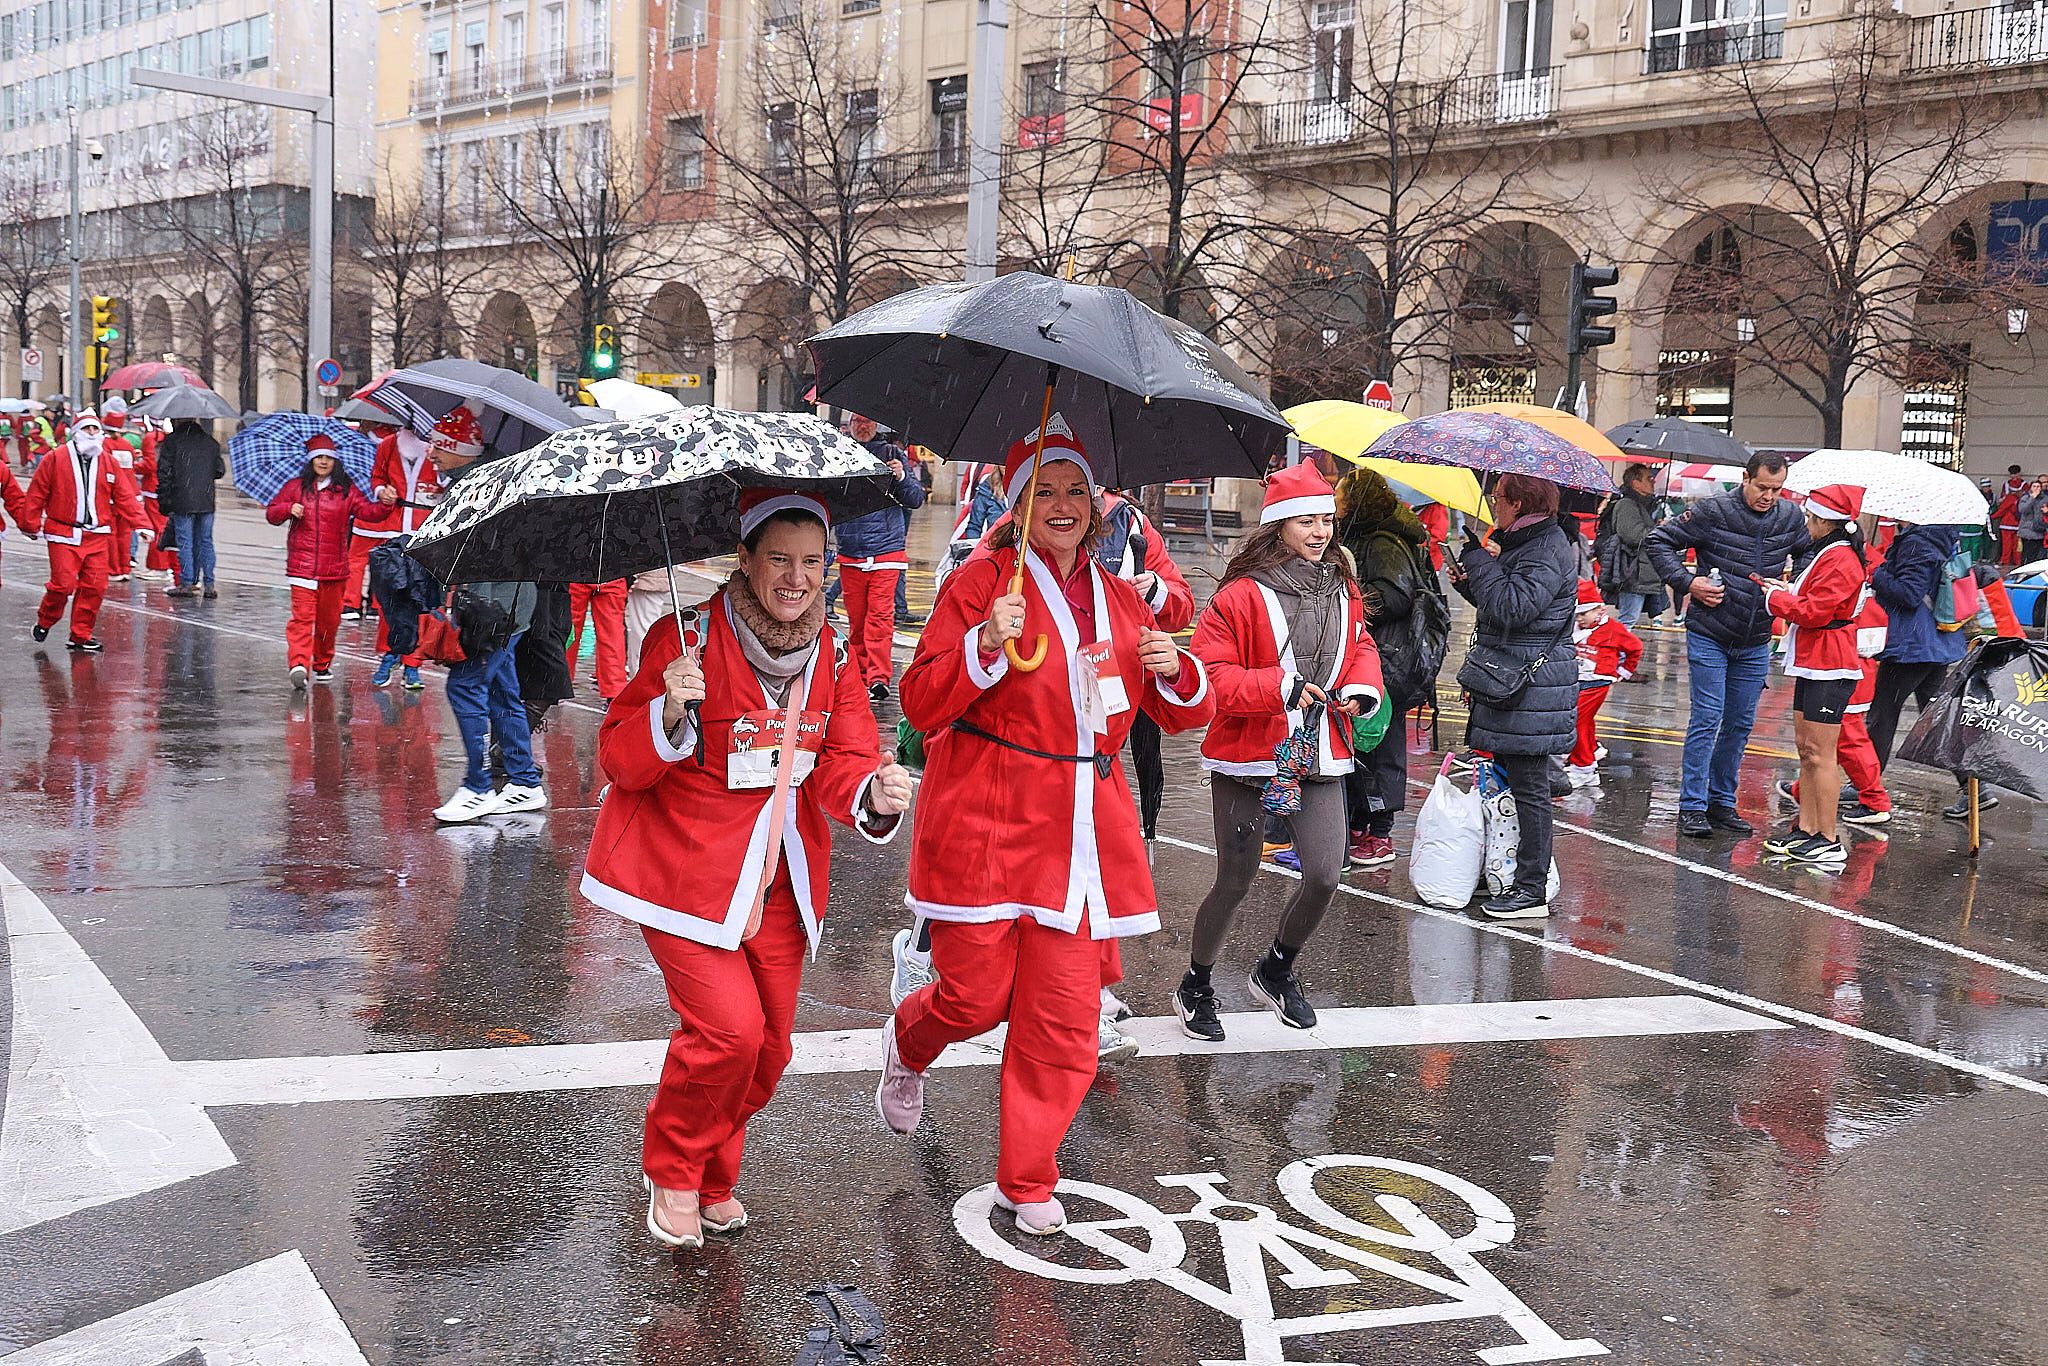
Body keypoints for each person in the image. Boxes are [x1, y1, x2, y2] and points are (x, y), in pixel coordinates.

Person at [875, 424, 1213, 1238]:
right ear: (1017, 501)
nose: (1062, 506)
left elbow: (1181, 711)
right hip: (988, 820)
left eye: (1075, 491)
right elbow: (921, 701)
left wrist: (1178, 669)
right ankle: (908, 1040)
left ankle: (1027, 1177)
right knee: (975, 997)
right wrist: (984, 643)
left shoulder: (1120, 597)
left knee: (1063, 1017)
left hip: (1081, 835)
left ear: (1095, 505)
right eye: (1045, 491)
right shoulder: (981, 583)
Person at [583, 489, 913, 1247]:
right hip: (686, 873)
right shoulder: (683, 637)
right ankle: (673, 1168)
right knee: (729, 1034)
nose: (797, 579)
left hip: (782, 878)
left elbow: (845, 757)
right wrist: (668, 711)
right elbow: (619, 761)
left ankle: (712, 1175)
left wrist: (872, 790)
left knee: (769, 1050)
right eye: (780, 560)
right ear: (746, 559)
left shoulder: (832, 653)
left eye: (812, 562)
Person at [1181, 463, 1382, 1040]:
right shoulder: (1240, 595)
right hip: (1248, 755)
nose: (1320, 532)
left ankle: (1276, 968)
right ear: (1278, 526)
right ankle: (1196, 983)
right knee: (1236, 879)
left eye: (1326, 520)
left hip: (1319, 750)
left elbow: (1360, 646)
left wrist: (1361, 687)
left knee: (1324, 874)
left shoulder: (1342, 587)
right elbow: (1212, 675)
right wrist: (1280, 688)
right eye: (1306, 521)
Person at [1647, 452, 1809, 840]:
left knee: (1738, 724)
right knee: (1707, 718)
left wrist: (1795, 583)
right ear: (1745, 478)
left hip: (1756, 638)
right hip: (1710, 632)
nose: (1769, 496)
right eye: (1762, 487)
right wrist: (1688, 583)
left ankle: (1721, 802)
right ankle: (1692, 806)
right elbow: (1658, 540)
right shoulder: (1713, 510)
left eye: (1777, 489)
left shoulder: (1790, 517)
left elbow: (1807, 552)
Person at [1448, 473, 1577, 919]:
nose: (1494, 503)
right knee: (1514, 781)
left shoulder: (1546, 548)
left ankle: (1531, 889)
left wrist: (1477, 560)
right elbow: (1505, 605)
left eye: (1498, 497)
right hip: (1515, 680)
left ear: (1519, 503)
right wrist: (1469, 581)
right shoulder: (1527, 542)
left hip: (1531, 687)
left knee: (1530, 788)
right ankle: (1511, 875)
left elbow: (1514, 607)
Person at [423, 407, 548, 825]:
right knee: (501, 692)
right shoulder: (487, 482)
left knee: (465, 687)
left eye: (441, 446)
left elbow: (481, 555)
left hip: (492, 611)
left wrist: (476, 615)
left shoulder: (477, 488)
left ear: (463, 450)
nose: (432, 453)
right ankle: (524, 780)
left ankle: (478, 786)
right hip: (506, 609)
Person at [1334, 466, 1440, 867]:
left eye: (1340, 494)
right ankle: (1362, 823)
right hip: (1373, 657)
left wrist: (1351, 599)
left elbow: (1395, 596)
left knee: (1381, 745)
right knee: (1363, 742)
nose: (1334, 500)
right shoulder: (1362, 536)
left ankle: (1379, 832)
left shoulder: (1382, 542)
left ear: (1357, 500)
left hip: (1388, 661)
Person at [1758, 486, 1869, 867]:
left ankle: (1827, 836)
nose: (1806, 523)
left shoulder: (1841, 557)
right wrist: (1788, 591)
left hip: (1830, 662)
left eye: (1810, 517)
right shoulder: (1831, 552)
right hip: (1814, 660)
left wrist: (1777, 599)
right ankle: (1807, 829)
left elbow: (1816, 612)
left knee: (1821, 755)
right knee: (1807, 751)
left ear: (1825, 520)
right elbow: (1817, 600)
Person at [264, 434, 396, 688]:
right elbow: (272, 513)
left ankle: (322, 663)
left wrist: (386, 503)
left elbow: (369, 513)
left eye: (328, 458)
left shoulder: (345, 490)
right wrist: (287, 509)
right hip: (302, 568)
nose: (323, 462)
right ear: (310, 460)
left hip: (334, 570)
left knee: (328, 622)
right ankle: (299, 664)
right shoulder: (295, 487)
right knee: (302, 620)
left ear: (335, 461)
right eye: (319, 457)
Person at [1865, 518, 1975, 819]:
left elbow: (1909, 593)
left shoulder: (1917, 542)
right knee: (1937, 720)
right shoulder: (1942, 536)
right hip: (1935, 641)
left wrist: (1877, 573)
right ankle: (1974, 788)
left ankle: (1865, 785)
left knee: (1882, 715)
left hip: (1912, 645)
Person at [1779, 547, 1893, 828]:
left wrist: (1780, 597)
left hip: (1846, 659)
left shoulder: (1846, 562)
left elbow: (1817, 610)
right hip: (1850, 656)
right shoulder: (1858, 561)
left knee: (1847, 738)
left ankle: (1874, 799)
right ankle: (1807, 795)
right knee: (1829, 741)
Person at [21, 409, 146, 652]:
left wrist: (141, 523)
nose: (91, 433)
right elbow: (37, 492)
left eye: (94, 428)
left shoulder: (108, 461)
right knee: (63, 585)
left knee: (95, 587)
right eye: (86, 428)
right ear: (76, 432)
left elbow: (124, 495)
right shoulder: (55, 458)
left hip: (97, 535)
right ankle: (46, 620)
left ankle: (80, 635)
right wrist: (30, 524)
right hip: (63, 534)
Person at [833, 414, 926, 704]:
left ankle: (878, 678)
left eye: (868, 421)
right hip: (851, 551)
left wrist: (901, 477)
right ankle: (860, 676)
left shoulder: (891, 453)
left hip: (886, 552)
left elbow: (915, 498)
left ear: (876, 425)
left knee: (880, 619)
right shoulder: (839, 451)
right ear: (849, 424)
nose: (863, 426)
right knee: (857, 621)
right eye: (857, 421)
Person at [366, 424, 443, 687]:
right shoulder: (388, 445)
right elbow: (376, 477)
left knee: (420, 601)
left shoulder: (441, 449)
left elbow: (451, 483)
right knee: (390, 601)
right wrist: (382, 491)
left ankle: (412, 664)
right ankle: (390, 653)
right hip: (393, 531)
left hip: (426, 532)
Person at [1567, 581, 1643, 787]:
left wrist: (1623, 671)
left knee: (1575, 721)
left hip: (1598, 682)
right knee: (1583, 720)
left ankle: (1583, 767)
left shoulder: (1613, 629)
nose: (1579, 619)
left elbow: (1635, 647)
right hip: (1578, 680)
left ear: (1599, 609)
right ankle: (1591, 751)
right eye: (1577, 614)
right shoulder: (1575, 627)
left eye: (1584, 614)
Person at [342, 418, 404, 620]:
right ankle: (377, 605)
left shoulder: (358, 443)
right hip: (393, 513)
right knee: (385, 561)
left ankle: (350, 603)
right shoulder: (398, 443)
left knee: (356, 559)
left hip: (366, 511)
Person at [158, 419, 225, 599]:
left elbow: (164, 473)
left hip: (182, 499)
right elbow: (219, 471)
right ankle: (209, 584)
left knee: (185, 542)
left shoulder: (172, 441)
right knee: (205, 541)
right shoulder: (210, 442)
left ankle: (187, 582)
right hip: (206, 499)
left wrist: (164, 500)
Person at [1606, 463, 1668, 626]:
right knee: (1628, 619)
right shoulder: (1627, 505)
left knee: (1629, 618)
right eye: (1648, 478)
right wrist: (1659, 529)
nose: (1653, 482)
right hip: (1632, 572)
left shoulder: (1642, 505)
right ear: (1636, 483)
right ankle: (1615, 644)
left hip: (1641, 573)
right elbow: (1633, 536)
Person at [564, 579, 630, 700]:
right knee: (612, 633)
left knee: (569, 629)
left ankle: (560, 680)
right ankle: (614, 689)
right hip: (611, 575)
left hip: (575, 574)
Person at [1994, 466, 2026, 565]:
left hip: (2007, 521)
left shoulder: (2009, 492)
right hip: (2018, 521)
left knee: (2008, 544)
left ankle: (2006, 560)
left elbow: (2002, 507)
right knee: (2017, 544)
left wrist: (1993, 516)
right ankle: (2017, 561)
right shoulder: (2024, 486)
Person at [2018, 477, 2046, 567]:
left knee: (2036, 555)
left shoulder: (2045, 499)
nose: (2036, 488)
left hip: (2039, 529)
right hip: (2027, 530)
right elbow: (2022, 509)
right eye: (2034, 486)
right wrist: (2032, 498)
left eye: (2038, 486)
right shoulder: (2025, 498)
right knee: (2026, 553)